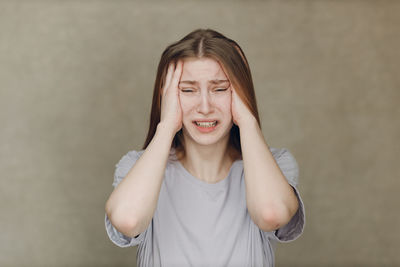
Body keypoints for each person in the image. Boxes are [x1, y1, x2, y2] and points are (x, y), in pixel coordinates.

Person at [104, 28, 305, 267]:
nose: (205, 106)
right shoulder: (137, 167)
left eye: (220, 88)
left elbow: (270, 214)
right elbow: (128, 219)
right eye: (188, 90)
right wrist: (166, 125)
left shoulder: (276, 164)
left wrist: (248, 121)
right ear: (167, 97)